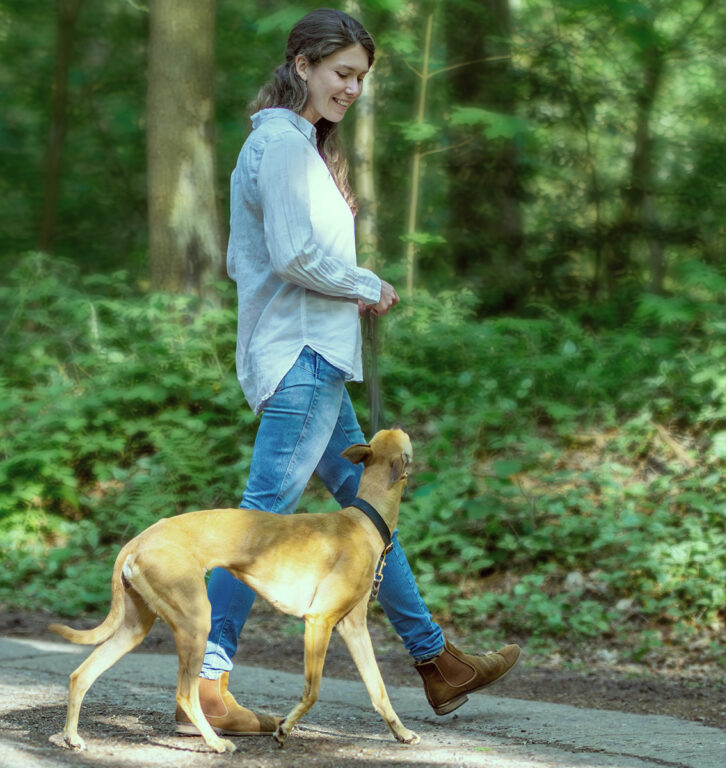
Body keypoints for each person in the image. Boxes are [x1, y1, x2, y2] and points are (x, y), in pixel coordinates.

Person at [175, 8, 520, 737]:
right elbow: (296, 258)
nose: (353, 88)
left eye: (362, 78)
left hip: (316, 356)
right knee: (260, 521)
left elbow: (275, 259)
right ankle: (207, 683)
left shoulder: (292, 147)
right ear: (302, 64)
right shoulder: (281, 147)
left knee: (366, 516)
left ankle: (437, 661)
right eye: (342, 73)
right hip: (302, 359)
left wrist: (345, 288)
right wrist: (363, 283)